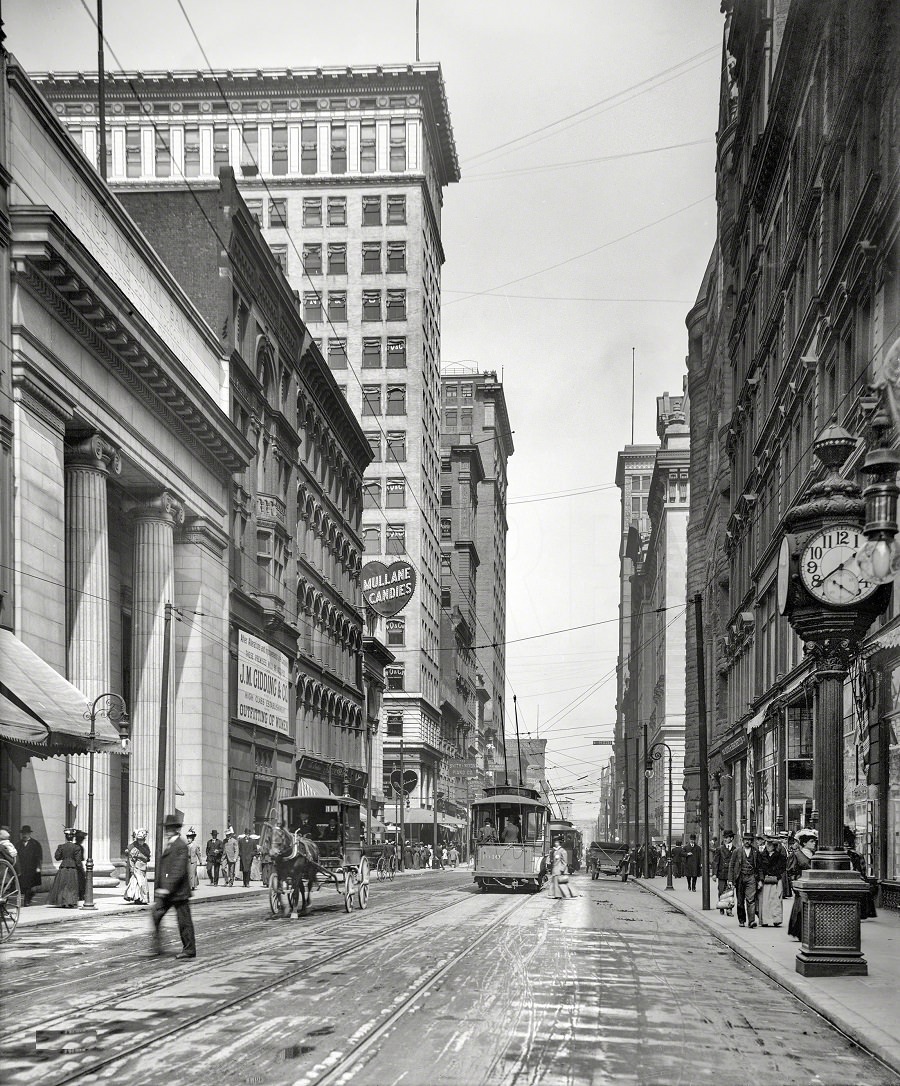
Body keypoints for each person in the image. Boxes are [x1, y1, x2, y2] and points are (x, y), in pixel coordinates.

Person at [151, 813, 196, 960]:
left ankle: (189, 949)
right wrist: (159, 886)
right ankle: (157, 947)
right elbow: (164, 868)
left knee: (184, 921)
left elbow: (178, 869)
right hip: (169, 892)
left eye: (171, 828)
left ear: (177, 829)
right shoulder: (171, 844)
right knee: (156, 914)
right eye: (167, 828)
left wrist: (167, 887)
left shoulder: (181, 845)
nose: (168, 831)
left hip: (179, 892)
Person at [787, 828, 817, 939]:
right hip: (801, 885)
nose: (814, 844)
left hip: (812, 885)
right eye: (811, 841)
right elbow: (792, 870)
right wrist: (794, 884)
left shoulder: (815, 854)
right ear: (804, 843)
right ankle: (800, 932)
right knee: (800, 909)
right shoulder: (797, 854)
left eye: (814, 841)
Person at [728, 831, 762, 928]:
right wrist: (730, 880)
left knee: (751, 900)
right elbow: (731, 866)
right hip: (740, 877)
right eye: (746, 840)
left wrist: (760, 880)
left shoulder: (756, 852)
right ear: (742, 841)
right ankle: (741, 920)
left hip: (751, 877)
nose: (747, 842)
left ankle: (751, 921)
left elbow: (759, 867)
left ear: (751, 841)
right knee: (740, 900)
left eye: (749, 840)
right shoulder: (737, 852)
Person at [48, 828, 81, 908]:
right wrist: (78, 866)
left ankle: (63, 902)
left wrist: (64, 856)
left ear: (66, 837)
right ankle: (71, 901)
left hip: (63, 867)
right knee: (72, 885)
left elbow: (57, 857)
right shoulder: (76, 847)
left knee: (62, 885)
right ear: (73, 837)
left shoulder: (61, 846)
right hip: (72, 868)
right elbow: (78, 860)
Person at [758, 835, 786, 927]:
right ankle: (765, 920)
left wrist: (773, 872)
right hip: (766, 880)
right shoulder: (762, 855)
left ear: (774, 846)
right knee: (765, 901)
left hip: (776, 879)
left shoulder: (780, 856)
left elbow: (782, 868)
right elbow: (760, 867)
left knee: (776, 899)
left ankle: (776, 919)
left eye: (770, 845)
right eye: (767, 844)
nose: (768, 846)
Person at [16, 825, 42, 906]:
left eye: (26, 833)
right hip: (22, 868)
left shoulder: (35, 844)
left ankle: (26, 901)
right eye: (23, 833)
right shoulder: (18, 844)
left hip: (32, 868)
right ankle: (27, 899)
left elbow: (39, 857)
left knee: (30, 886)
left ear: (29, 834)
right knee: (24, 886)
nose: (24, 835)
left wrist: (38, 867)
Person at [123, 828, 151, 904]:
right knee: (139, 882)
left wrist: (145, 858)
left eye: (143, 839)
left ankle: (137, 897)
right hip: (137, 867)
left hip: (143, 867)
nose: (141, 841)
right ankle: (139, 898)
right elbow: (131, 859)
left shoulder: (146, 847)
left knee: (139, 883)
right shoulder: (134, 848)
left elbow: (148, 857)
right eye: (140, 840)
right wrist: (132, 867)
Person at [712, 830, 736, 914]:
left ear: (731, 838)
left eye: (727, 837)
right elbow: (715, 862)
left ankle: (729, 909)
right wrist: (714, 874)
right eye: (724, 838)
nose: (725, 839)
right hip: (722, 873)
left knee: (730, 892)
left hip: (731, 874)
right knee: (721, 890)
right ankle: (722, 906)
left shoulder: (735, 849)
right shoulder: (720, 849)